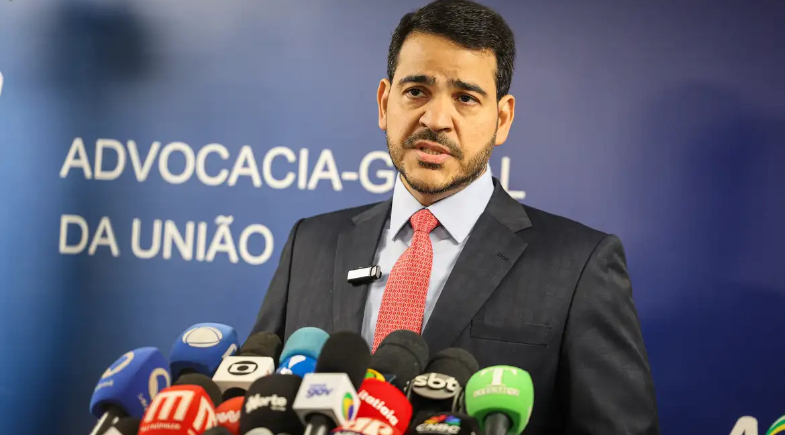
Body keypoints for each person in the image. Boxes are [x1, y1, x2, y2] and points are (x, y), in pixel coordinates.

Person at [252, 0, 659, 433]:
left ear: (502, 119)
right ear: (385, 102)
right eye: (416, 91)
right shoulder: (310, 243)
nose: (435, 119)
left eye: (465, 98)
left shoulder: (579, 266)